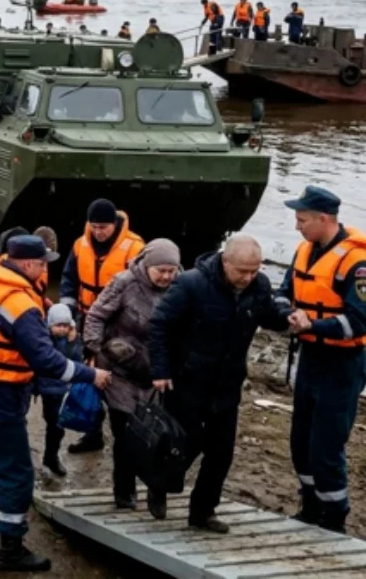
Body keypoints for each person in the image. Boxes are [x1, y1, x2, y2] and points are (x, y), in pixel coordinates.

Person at [0, 236, 108, 571]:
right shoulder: (19, 305)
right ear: (25, 265)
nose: (46, 267)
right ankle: (11, 550)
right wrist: (89, 375)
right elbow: (48, 361)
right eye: (42, 263)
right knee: (16, 473)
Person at [148, 233, 288, 530]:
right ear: (225, 261)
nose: (248, 277)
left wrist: (290, 318)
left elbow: (269, 316)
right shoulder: (192, 284)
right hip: (187, 381)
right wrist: (160, 371)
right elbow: (159, 325)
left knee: (221, 452)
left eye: (254, 270)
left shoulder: (259, 286)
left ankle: (203, 512)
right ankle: (158, 484)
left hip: (227, 383)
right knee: (185, 444)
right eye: (242, 271)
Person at [274, 186, 366, 532]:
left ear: (324, 219)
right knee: (301, 441)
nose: (298, 227)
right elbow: (284, 292)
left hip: (342, 364)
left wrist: (313, 324)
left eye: (302, 220)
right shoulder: (304, 251)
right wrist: (289, 315)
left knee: (326, 444)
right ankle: (311, 506)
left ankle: (334, 516)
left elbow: (358, 321)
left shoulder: (356, 264)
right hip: (310, 357)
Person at [82, 239, 180, 507]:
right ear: (147, 265)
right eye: (161, 270)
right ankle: (124, 492)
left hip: (156, 374)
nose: (166, 276)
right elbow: (96, 316)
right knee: (125, 434)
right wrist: (95, 346)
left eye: (171, 271)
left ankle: (154, 488)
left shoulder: (179, 288)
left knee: (157, 434)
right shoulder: (124, 283)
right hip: (120, 371)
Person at [60, 198, 144, 453]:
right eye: (94, 227)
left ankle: (130, 432)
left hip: (120, 325)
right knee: (89, 377)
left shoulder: (135, 248)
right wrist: (70, 315)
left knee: (122, 379)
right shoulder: (79, 245)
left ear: (114, 225)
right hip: (88, 320)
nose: (98, 232)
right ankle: (93, 433)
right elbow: (69, 281)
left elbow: (142, 289)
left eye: (103, 227)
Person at [35, 304, 81, 479]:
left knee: (58, 427)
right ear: (49, 325)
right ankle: (50, 457)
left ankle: (51, 456)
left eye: (65, 326)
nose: (62, 329)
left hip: (65, 389)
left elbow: (77, 359)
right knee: (53, 423)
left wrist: (73, 342)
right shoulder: (44, 340)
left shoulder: (73, 339)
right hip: (50, 389)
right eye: (58, 325)